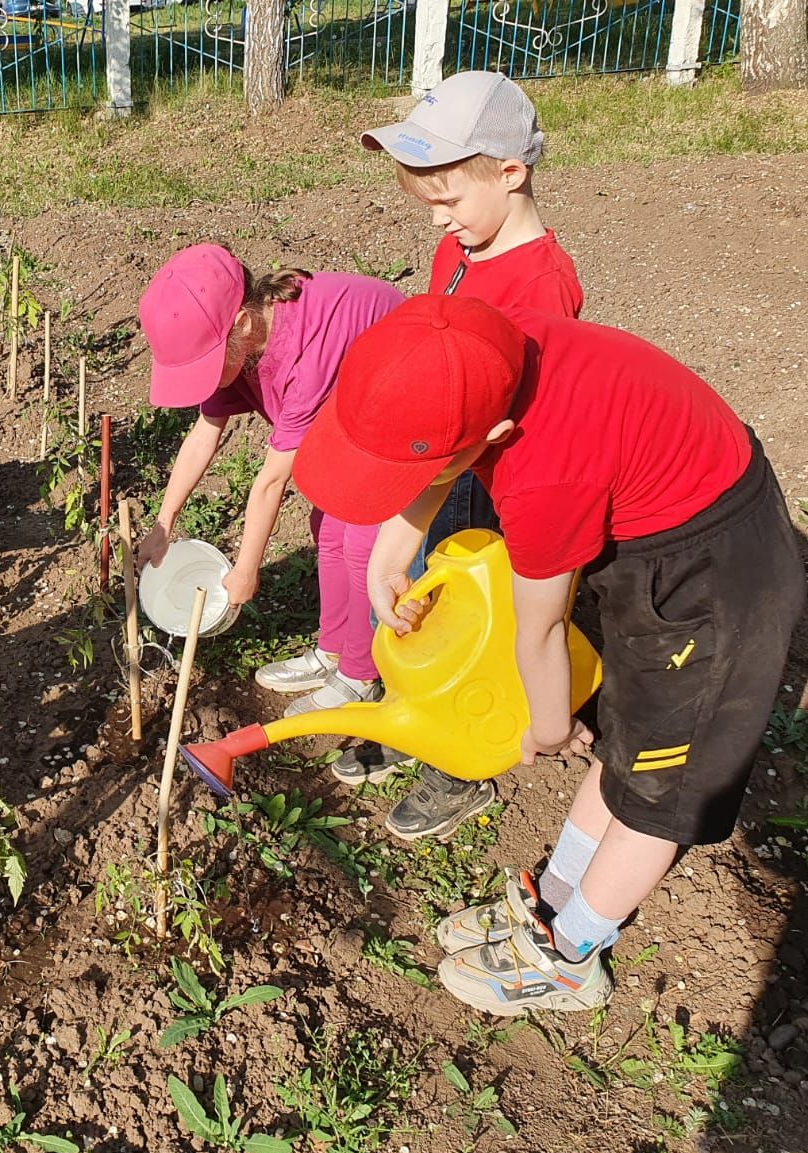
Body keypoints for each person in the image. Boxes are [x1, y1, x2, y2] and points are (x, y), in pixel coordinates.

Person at [292, 295, 802, 1014]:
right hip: (658, 541)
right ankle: (555, 898)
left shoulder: (544, 474)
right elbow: (439, 456)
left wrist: (550, 725)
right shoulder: (480, 352)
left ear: (495, 435)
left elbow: (538, 631)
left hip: (718, 581)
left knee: (663, 783)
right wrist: (393, 553)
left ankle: (572, 954)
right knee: (629, 732)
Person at [333, 70, 586, 838]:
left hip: (503, 479)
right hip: (451, 466)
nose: (438, 217)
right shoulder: (462, 253)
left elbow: (519, 426)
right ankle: (421, 714)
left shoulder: (541, 290)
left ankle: (464, 760)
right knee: (431, 593)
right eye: (427, 199)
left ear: (511, 173)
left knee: (489, 615)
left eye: (448, 197)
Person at [135, 244, 404, 714]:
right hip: (346, 416)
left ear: (242, 324)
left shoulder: (305, 352)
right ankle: (334, 650)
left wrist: (245, 571)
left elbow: (271, 483)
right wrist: (163, 524)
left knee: (359, 536)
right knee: (327, 524)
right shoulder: (241, 348)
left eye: (205, 366)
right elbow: (204, 435)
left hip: (397, 404)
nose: (205, 379)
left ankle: (360, 676)